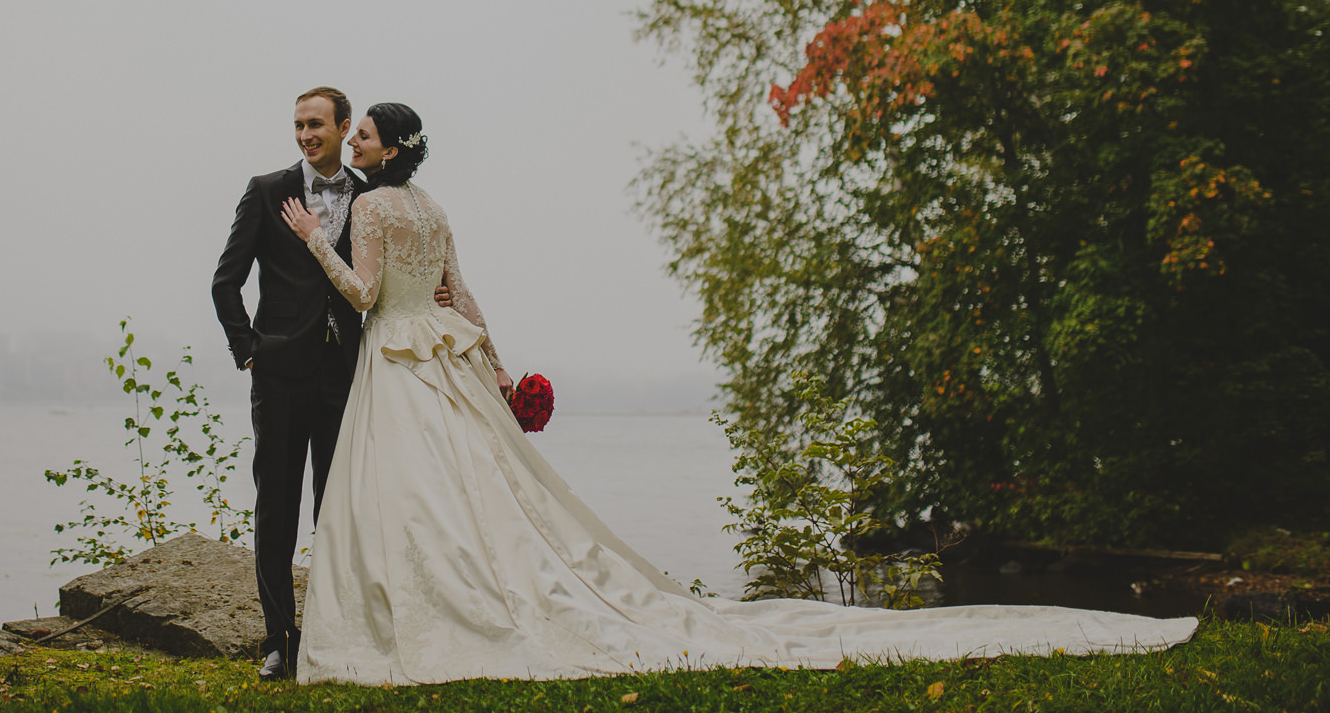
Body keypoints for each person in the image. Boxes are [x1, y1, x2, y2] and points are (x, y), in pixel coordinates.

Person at [278, 102, 1197, 686]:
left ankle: (423, 611)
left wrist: (315, 242)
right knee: (485, 493)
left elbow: (365, 297)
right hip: (451, 357)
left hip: (396, 357)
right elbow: (463, 297)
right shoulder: (435, 209)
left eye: (359, 133)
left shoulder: (369, 207)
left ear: (387, 147)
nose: (350, 141)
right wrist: (502, 370)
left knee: (411, 499)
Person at [211, 86, 465, 681]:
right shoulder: (267, 190)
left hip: (348, 372)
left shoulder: (371, 193)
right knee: (276, 507)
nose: (306, 135)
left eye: (317, 125)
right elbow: (226, 281)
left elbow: (387, 272)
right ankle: (279, 639)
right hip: (278, 372)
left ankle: (333, 630)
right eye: (298, 125)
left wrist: (435, 293)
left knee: (338, 506)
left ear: (343, 126)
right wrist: (248, 349)